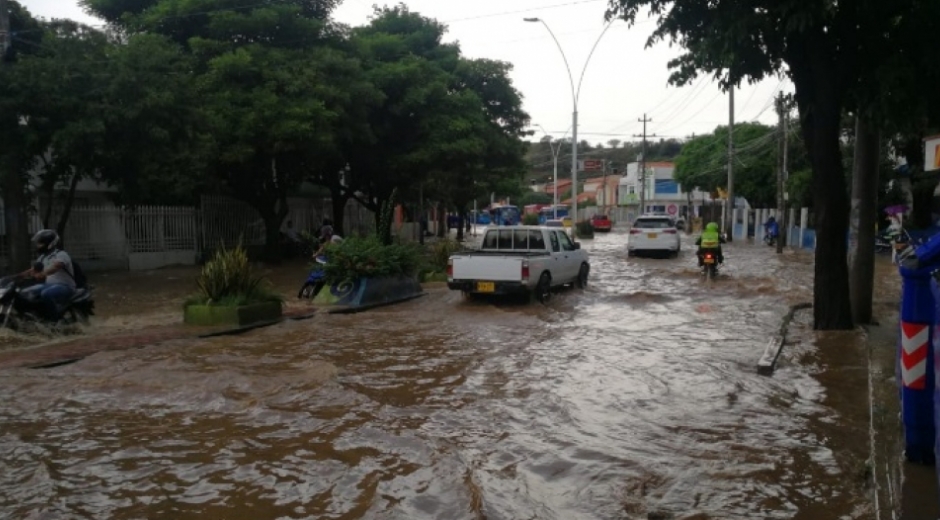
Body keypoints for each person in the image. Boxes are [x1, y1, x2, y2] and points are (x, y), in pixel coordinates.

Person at [18, 230, 77, 321]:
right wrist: (17, 276)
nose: (38, 246)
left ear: (49, 244)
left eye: (40, 243)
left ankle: (53, 320)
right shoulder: (42, 257)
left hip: (65, 286)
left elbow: (56, 267)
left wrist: (43, 274)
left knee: (46, 294)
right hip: (48, 285)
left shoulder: (61, 254)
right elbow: (33, 269)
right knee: (24, 293)